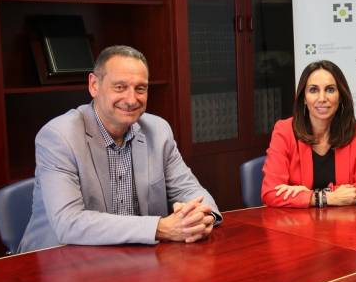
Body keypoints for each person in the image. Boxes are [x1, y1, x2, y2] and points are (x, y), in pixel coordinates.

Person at [19, 45, 221, 252]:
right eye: (120, 87)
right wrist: (159, 228)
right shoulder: (59, 136)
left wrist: (201, 217)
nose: (131, 100)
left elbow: (190, 190)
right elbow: (69, 222)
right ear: (94, 85)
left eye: (140, 88)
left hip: (132, 256)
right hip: (58, 258)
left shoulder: (158, 130)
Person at [261, 60, 356, 208]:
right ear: (304, 98)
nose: (322, 98)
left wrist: (309, 195)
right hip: (296, 222)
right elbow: (270, 192)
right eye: (313, 90)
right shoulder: (284, 131)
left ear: (341, 96)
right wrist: (327, 197)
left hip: (342, 221)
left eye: (330, 90)